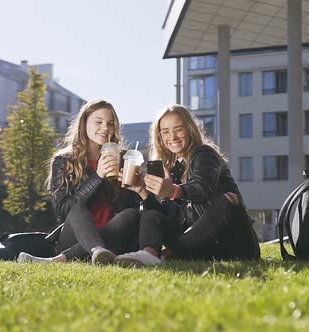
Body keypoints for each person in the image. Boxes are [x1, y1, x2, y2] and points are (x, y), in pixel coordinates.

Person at [113, 104, 260, 265]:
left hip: (233, 245)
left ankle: (167, 254)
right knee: (153, 214)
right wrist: (142, 190)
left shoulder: (204, 153)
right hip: (201, 247)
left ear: (189, 129)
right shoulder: (174, 167)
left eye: (178, 129)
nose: (173, 137)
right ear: (160, 137)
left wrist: (173, 191)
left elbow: (201, 188)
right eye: (166, 132)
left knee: (228, 200)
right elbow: (164, 215)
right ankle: (150, 254)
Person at [18, 99, 160, 265]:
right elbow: (64, 210)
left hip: (114, 237)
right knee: (76, 207)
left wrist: (136, 188)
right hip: (75, 237)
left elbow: (133, 213)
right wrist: (98, 176)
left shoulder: (124, 158)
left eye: (110, 123)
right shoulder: (64, 160)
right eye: (98, 122)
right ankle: (96, 250)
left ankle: (68, 258)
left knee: (131, 214)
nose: (105, 128)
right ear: (84, 123)